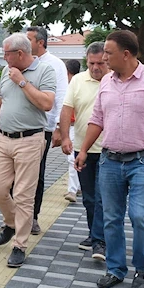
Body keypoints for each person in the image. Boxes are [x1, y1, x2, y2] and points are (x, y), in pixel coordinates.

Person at [75, 30, 144, 288]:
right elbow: (97, 119)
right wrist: (84, 150)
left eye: (108, 53)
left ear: (126, 54)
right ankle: (116, 269)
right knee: (111, 217)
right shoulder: (107, 82)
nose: (104, 58)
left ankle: (143, 268)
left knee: (140, 215)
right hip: (110, 160)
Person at [0, 32, 56, 267]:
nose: (4, 58)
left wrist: (22, 81)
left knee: (24, 195)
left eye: (6, 53)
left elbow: (47, 103)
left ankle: (19, 245)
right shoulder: (7, 72)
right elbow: (0, 102)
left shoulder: (45, 71)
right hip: (4, 139)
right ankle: (10, 222)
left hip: (30, 139)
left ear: (19, 53)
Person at [60, 42, 108, 261]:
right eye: (91, 63)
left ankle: (100, 242)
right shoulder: (78, 80)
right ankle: (94, 234)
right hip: (83, 149)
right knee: (89, 197)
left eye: (100, 63)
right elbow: (67, 109)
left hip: (109, 150)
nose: (96, 67)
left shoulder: (115, 79)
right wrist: (65, 137)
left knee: (101, 197)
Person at [25, 26, 68, 234]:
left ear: (40, 42)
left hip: (43, 127)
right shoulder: (23, 61)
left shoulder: (55, 64)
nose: (25, 43)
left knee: (37, 174)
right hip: (20, 126)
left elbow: (61, 97)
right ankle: (15, 216)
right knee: (16, 175)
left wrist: (60, 127)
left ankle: (32, 216)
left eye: (29, 39)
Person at [63, 59, 82, 203]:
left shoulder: (71, 86)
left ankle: (72, 189)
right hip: (78, 126)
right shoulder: (80, 83)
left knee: (72, 158)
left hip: (75, 126)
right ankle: (78, 186)